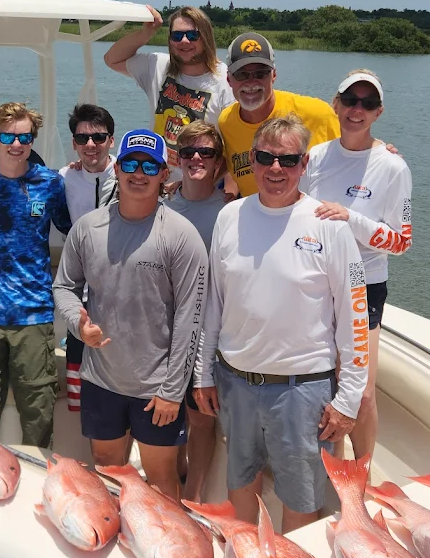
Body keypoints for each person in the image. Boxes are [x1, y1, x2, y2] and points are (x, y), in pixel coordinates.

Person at [193, 114, 368, 532]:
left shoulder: (331, 227)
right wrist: (202, 374)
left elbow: (354, 318)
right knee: (241, 483)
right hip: (234, 382)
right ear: (251, 160)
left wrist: (349, 399)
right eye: (267, 158)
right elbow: (213, 302)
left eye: (288, 160)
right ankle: (247, 557)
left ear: (304, 165)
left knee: (301, 498)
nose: (276, 169)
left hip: (303, 391)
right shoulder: (229, 217)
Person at [53, 129, 207, 500]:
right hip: (100, 378)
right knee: (106, 467)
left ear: (163, 174)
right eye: (131, 164)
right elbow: (64, 287)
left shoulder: (182, 236)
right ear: (117, 169)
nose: (139, 174)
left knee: (160, 479)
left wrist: (173, 391)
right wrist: (78, 323)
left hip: (157, 389)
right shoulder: (87, 228)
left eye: (149, 166)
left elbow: (191, 318)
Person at [301, 69, 411, 462]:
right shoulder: (314, 157)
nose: (356, 110)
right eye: (350, 101)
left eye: (367, 104)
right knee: (323, 380)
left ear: (378, 112)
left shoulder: (393, 167)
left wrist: (351, 218)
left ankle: (362, 474)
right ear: (336, 104)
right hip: (315, 281)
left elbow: (401, 242)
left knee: (362, 392)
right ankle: (330, 463)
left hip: (364, 284)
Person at [0, 102, 72, 448]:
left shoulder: (50, 182)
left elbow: (72, 230)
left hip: (34, 312)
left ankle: (39, 472)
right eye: (8, 136)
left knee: (38, 405)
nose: (16, 144)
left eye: (24, 136)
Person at [164, 120, 227, 503]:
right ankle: (173, 479)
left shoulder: (231, 211)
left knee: (201, 418)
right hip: (168, 330)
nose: (196, 159)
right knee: (169, 413)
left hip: (210, 333)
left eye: (206, 152)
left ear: (218, 162)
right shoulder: (163, 204)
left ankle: (194, 497)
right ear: (177, 159)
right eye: (188, 153)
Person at [103, 4, 233, 177]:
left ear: (206, 37)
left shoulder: (226, 80)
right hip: (155, 180)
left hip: (200, 188)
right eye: (177, 36)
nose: (184, 41)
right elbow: (111, 59)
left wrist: (196, 187)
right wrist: (145, 33)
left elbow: (233, 148)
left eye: (193, 35)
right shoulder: (157, 65)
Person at [216, 31, 339, 197]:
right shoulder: (226, 121)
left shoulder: (318, 113)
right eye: (241, 74)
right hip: (255, 217)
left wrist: (380, 149)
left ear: (274, 75)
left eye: (260, 73)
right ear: (229, 80)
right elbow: (228, 167)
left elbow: (354, 154)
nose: (251, 82)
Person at [58, 103, 118, 413]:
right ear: (74, 144)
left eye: (98, 138)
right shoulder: (64, 178)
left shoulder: (128, 172)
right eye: (82, 140)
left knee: (119, 379)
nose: (90, 146)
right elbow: (38, 209)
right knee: (79, 390)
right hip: (79, 294)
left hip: (119, 291)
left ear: (111, 140)